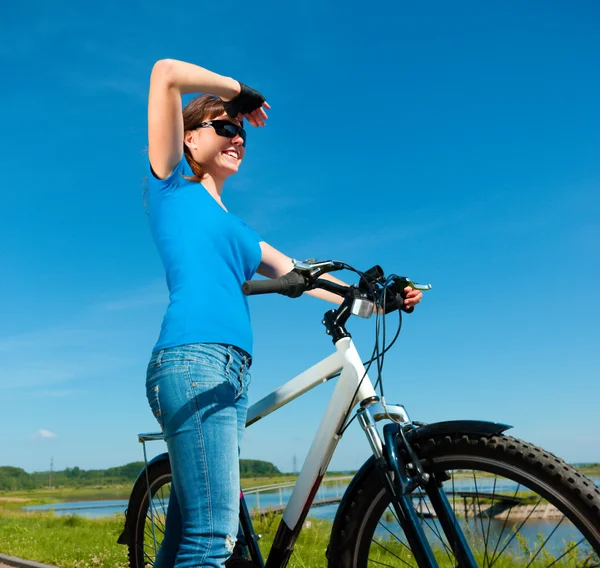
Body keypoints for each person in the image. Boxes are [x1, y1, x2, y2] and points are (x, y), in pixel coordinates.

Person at [145, 58, 423, 568]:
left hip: (231, 372)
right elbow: (165, 72)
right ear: (188, 140)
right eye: (224, 128)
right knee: (211, 541)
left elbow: (303, 274)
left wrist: (376, 300)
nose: (237, 138)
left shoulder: (240, 231)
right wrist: (241, 93)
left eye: (241, 133)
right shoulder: (169, 189)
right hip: (192, 360)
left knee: (185, 533)